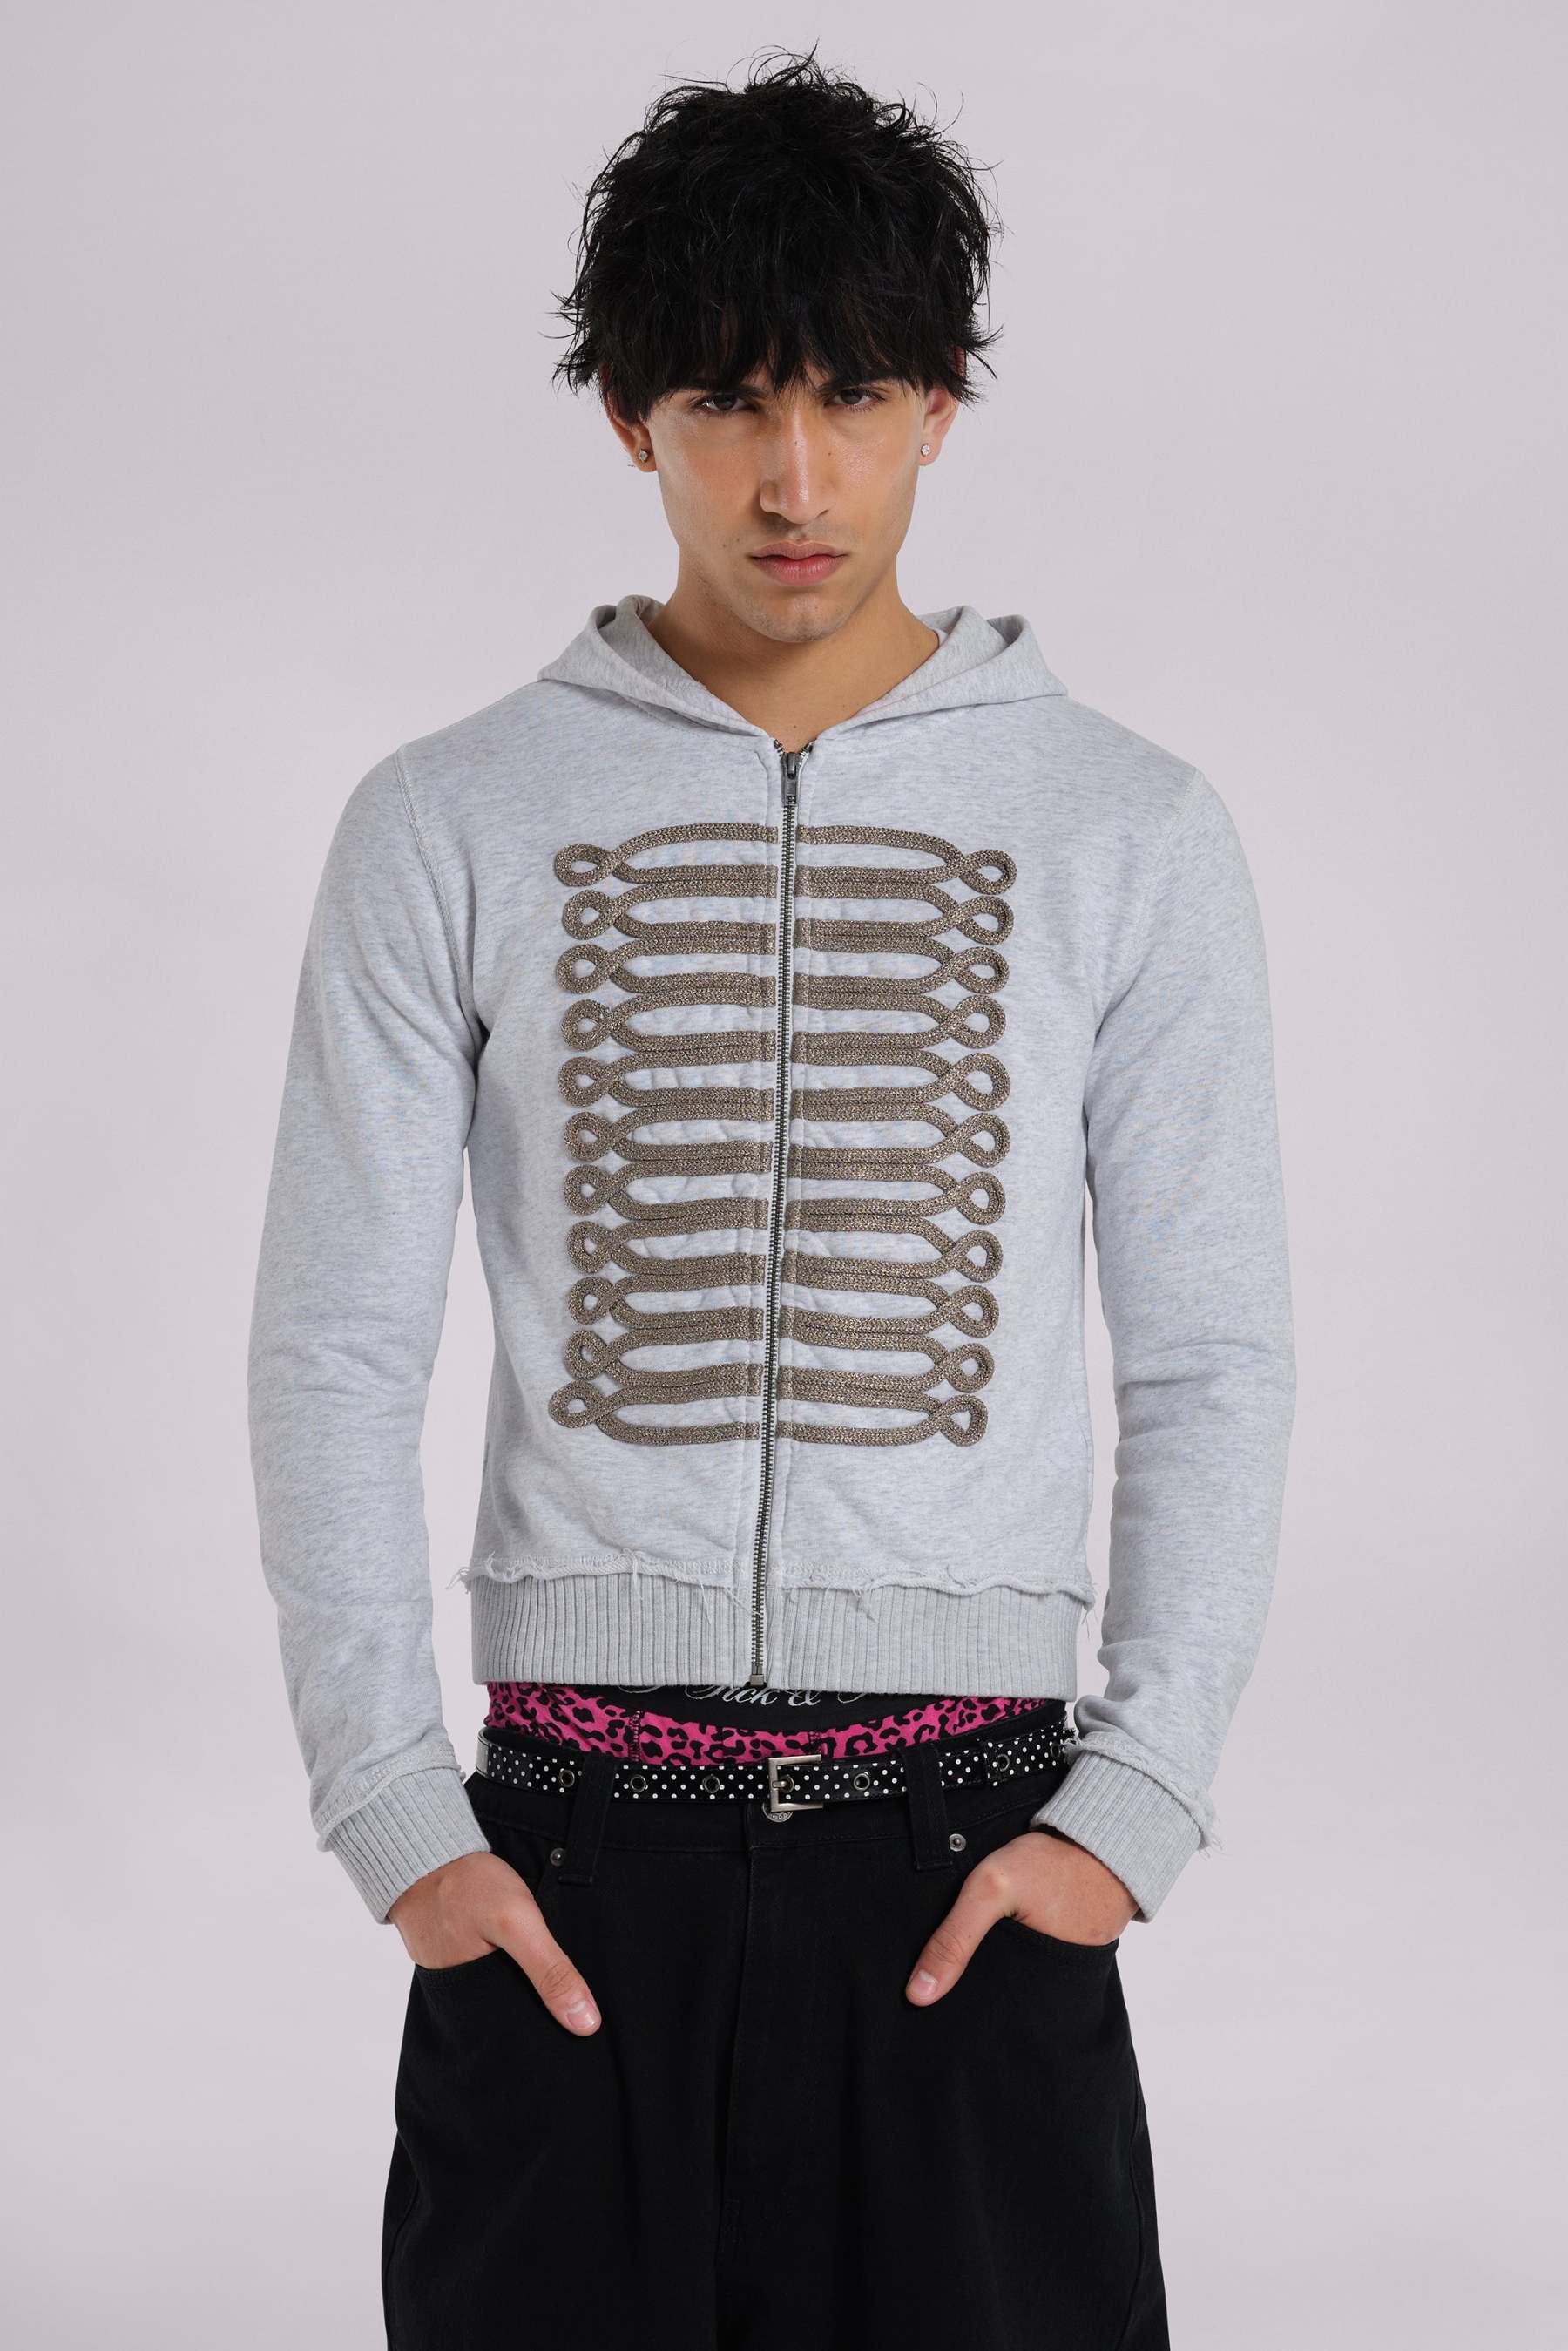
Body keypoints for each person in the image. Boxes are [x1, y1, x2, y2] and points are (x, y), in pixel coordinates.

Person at [246, 47, 1295, 2351]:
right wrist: (397, 1814)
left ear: (942, 407)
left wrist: (1133, 1804)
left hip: (971, 1862)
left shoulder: (1130, 831)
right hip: (569, 1877)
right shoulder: (449, 820)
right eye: (727, 399)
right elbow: (333, 1343)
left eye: (854, 394)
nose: (795, 477)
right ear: (633, 417)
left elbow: (1214, 1354)